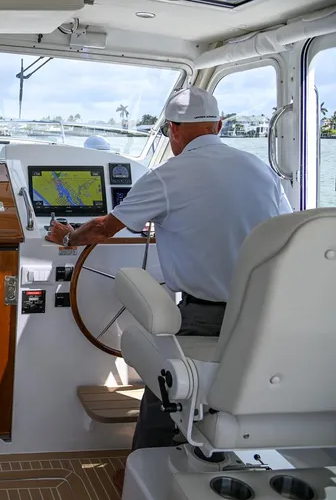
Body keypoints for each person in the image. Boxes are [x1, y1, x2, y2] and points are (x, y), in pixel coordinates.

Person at [45, 86, 292, 468]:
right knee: (234, 384)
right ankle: (219, 457)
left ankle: (141, 470)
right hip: (266, 314)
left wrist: (68, 237)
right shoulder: (261, 170)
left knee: (167, 386)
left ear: (173, 130)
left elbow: (102, 230)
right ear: (219, 125)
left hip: (205, 316)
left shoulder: (167, 176)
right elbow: (285, 232)